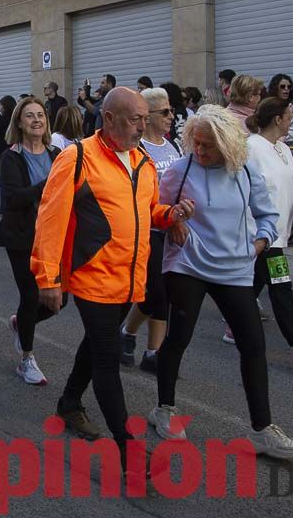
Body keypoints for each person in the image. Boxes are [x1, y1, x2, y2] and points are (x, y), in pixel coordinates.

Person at [32, 88, 192, 471]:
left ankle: (69, 403)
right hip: (93, 278)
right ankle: (129, 451)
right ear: (108, 118)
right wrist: (48, 278)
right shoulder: (78, 157)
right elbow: (50, 222)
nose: (143, 125)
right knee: (106, 359)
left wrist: (170, 215)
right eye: (134, 119)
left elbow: (147, 210)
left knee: (95, 345)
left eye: (144, 118)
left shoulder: (143, 161)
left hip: (129, 279)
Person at [150, 105, 293, 459]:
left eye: (208, 146)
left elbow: (267, 214)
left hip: (235, 267)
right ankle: (165, 408)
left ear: (227, 145)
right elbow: (157, 212)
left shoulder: (245, 170)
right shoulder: (180, 169)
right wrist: (174, 221)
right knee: (179, 336)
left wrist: (260, 243)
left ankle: (262, 429)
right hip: (188, 262)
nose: (201, 152)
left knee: (252, 343)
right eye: (196, 143)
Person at [241, 98, 293, 368]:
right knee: (281, 287)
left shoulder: (282, 148)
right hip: (262, 232)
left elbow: (291, 180)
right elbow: (243, 187)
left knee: (254, 281)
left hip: (280, 231)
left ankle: (235, 323)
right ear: (277, 118)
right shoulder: (252, 147)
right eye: (289, 117)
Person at [0, 97, 62, 386]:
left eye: (41, 115)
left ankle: (20, 323)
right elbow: (12, 198)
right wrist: (44, 187)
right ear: (19, 123)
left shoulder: (57, 154)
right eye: (30, 116)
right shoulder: (11, 157)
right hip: (22, 236)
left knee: (60, 299)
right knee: (32, 295)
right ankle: (26, 359)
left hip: (53, 237)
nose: (37, 120)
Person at [120, 87, 184, 372]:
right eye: (165, 112)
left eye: (171, 111)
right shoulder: (137, 148)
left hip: (172, 227)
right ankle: (128, 333)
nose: (171, 117)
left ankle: (151, 352)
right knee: (156, 292)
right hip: (148, 228)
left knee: (166, 294)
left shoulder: (174, 146)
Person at [267, 74, 293, 146]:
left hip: (292, 149)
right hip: (271, 146)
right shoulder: (268, 104)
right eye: (282, 86)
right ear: (275, 88)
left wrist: (273, 138)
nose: (286, 89)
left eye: (289, 87)